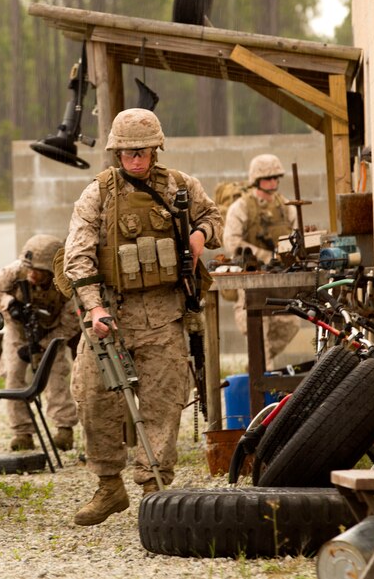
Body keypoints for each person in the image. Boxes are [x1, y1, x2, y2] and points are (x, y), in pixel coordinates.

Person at [63, 108, 223, 526]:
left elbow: (213, 216)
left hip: (162, 314)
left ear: (156, 149)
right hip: (110, 315)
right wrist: (94, 307)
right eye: (128, 152)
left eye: (143, 151)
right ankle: (109, 485)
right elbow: (77, 257)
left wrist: (199, 235)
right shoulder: (97, 194)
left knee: (163, 401)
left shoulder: (179, 186)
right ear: (117, 153)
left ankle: (155, 487)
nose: (136, 159)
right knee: (92, 397)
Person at [0, 234, 79, 452]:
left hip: (52, 331)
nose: (32, 275)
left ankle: (64, 429)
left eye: (38, 271)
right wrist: (9, 303)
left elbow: (71, 322)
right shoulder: (16, 271)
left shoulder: (65, 283)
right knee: (14, 377)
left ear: (51, 271)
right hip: (18, 332)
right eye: (30, 269)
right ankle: (22, 433)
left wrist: (44, 343)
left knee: (56, 376)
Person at [222, 153, 302, 364]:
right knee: (257, 333)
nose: (273, 182)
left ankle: (260, 365)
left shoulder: (286, 207)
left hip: (280, 281)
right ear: (256, 180)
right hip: (252, 282)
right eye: (268, 178)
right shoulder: (241, 207)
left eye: (276, 178)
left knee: (291, 324)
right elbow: (231, 241)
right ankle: (262, 369)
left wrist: (288, 254)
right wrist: (265, 256)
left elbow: (297, 237)